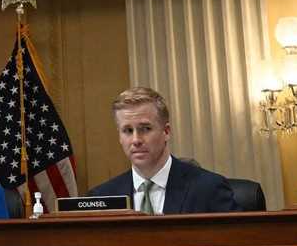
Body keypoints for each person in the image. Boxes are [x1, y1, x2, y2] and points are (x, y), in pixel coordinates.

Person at [88, 87, 238, 214]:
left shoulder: (209, 189)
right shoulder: (101, 198)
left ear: (166, 132)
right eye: (127, 130)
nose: (136, 140)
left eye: (145, 129)